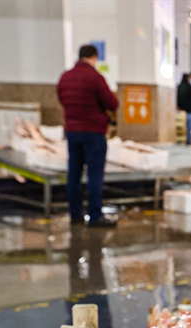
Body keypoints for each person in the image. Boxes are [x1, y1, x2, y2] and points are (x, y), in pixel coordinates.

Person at [57, 44, 119, 227]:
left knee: (74, 174)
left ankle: (75, 214)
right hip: (94, 133)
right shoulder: (95, 77)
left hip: (73, 132)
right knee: (94, 175)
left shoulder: (65, 77)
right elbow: (112, 103)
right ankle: (95, 216)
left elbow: (61, 98)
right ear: (93, 57)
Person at [177, 73, 191, 145]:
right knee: (189, 129)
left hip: (180, 113)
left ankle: (181, 143)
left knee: (181, 130)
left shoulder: (179, 87)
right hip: (189, 112)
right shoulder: (190, 88)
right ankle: (188, 143)